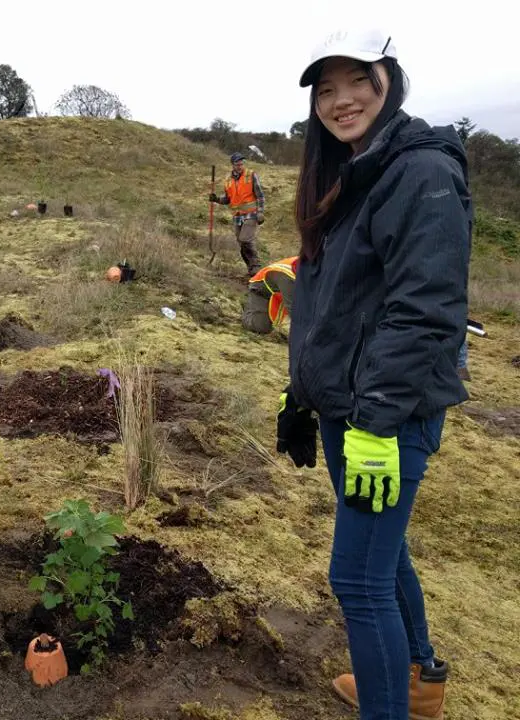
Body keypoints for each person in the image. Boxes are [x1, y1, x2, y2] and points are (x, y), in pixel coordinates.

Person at [275, 29, 470, 720]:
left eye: (356, 79)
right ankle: (417, 681)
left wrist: (377, 423)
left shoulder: (419, 173)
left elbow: (425, 313)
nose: (341, 99)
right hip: (346, 404)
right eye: (325, 89)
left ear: (389, 78)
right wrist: (301, 394)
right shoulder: (348, 173)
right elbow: (330, 302)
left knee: (356, 580)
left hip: (388, 413)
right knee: (382, 559)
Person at [209, 151, 265, 276]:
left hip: (251, 213)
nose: (240, 166)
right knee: (241, 243)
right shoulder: (228, 180)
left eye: (241, 164)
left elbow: (260, 196)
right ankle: (251, 268)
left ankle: (256, 266)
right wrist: (216, 199)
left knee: (245, 239)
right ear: (232, 165)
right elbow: (227, 199)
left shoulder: (251, 175)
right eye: (237, 164)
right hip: (237, 216)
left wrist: (260, 212)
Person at [242, 255, 298, 335]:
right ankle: (249, 308)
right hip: (260, 290)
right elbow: (294, 310)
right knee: (261, 327)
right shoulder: (288, 275)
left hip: (280, 292)